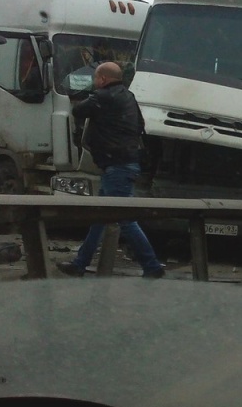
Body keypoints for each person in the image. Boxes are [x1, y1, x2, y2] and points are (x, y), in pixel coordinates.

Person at [57, 61, 165, 279]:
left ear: (103, 79)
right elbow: (140, 125)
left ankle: (152, 266)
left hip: (117, 166)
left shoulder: (103, 97)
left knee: (124, 218)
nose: (95, 83)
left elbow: (78, 110)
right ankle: (80, 264)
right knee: (100, 217)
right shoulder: (128, 96)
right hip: (124, 163)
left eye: (96, 79)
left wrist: (91, 97)